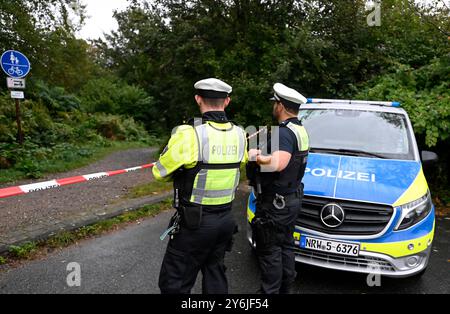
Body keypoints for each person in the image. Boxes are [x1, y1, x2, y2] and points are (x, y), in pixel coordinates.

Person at [153, 78, 248, 294]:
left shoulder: (189, 134)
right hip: (225, 221)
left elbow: (159, 171)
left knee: (174, 283)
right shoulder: (240, 134)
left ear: (198, 99)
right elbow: (238, 163)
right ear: (227, 101)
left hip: (194, 224)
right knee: (215, 276)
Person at [248, 83, 310, 294]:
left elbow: (278, 163)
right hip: (290, 200)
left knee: (270, 249)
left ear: (281, 105)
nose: (273, 106)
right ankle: (285, 290)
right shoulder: (300, 129)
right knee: (285, 246)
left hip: (277, 204)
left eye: (275, 103)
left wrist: (256, 157)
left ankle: (268, 293)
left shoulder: (284, 133)